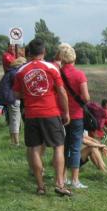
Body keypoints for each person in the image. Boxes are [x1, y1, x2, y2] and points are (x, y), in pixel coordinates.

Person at [13, 38, 71, 196]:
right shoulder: (52, 68)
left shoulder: (21, 70)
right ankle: (59, 184)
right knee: (58, 146)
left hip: (31, 114)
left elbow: (16, 94)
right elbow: (61, 92)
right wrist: (66, 112)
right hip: (51, 112)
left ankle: (40, 186)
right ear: (44, 52)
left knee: (35, 149)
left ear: (29, 53)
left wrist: (30, 93)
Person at [54, 43, 90, 189]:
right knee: (75, 147)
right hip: (76, 115)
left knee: (62, 147)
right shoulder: (79, 74)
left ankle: (63, 178)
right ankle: (75, 180)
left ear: (61, 58)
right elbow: (86, 97)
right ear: (74, 58)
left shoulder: (56, 73)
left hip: (60, 115)